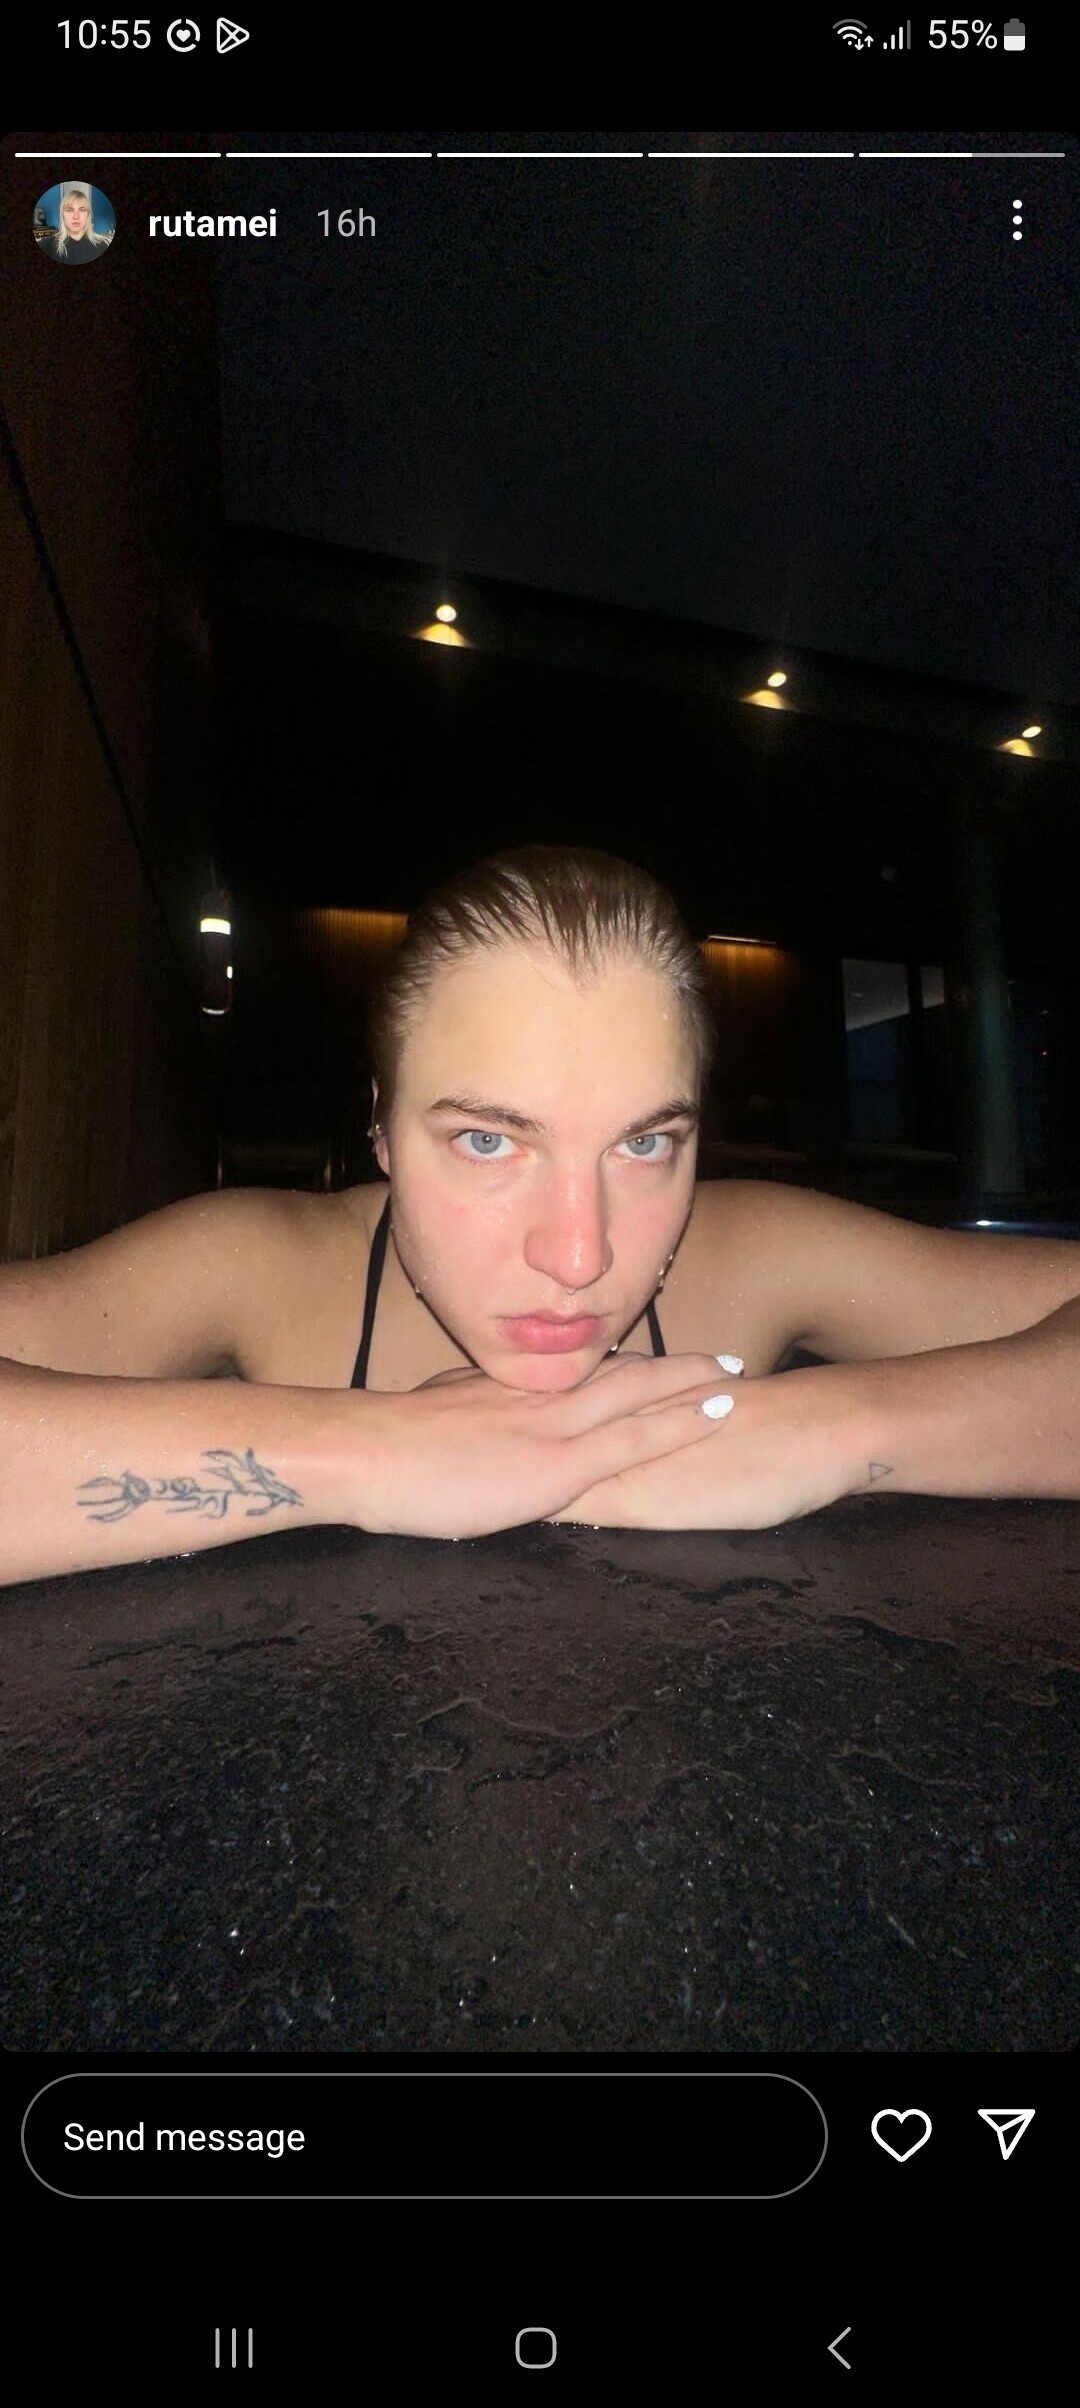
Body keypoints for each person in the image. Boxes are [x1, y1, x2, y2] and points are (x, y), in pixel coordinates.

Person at [2, 844, 1079, 1589]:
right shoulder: (255, 1264)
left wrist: (827, 1431)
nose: (578, 1255)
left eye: (644, 1144)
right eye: (487, 1141)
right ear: (381, 1130)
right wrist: (373, 1451)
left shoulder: (759, 1251)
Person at [38, 183, 111, 265]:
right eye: (69, 210)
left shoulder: (103, 245)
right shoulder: (46, 246)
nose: (76, 216)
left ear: (88, 215)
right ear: (62, 215)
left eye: (82, 210)